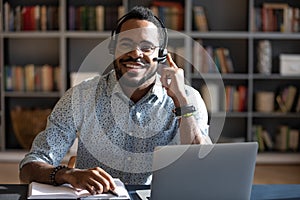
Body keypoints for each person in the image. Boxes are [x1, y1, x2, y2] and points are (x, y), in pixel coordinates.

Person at [19, 6, 212, 195]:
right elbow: (29, 167)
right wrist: (68, 174)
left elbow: (202, 165)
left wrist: (181, 102)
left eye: (147, 47)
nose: (136, 54)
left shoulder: (188, 98)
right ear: (113, 48)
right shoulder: (80, 96)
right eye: (126, 44)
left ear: (160, 54)